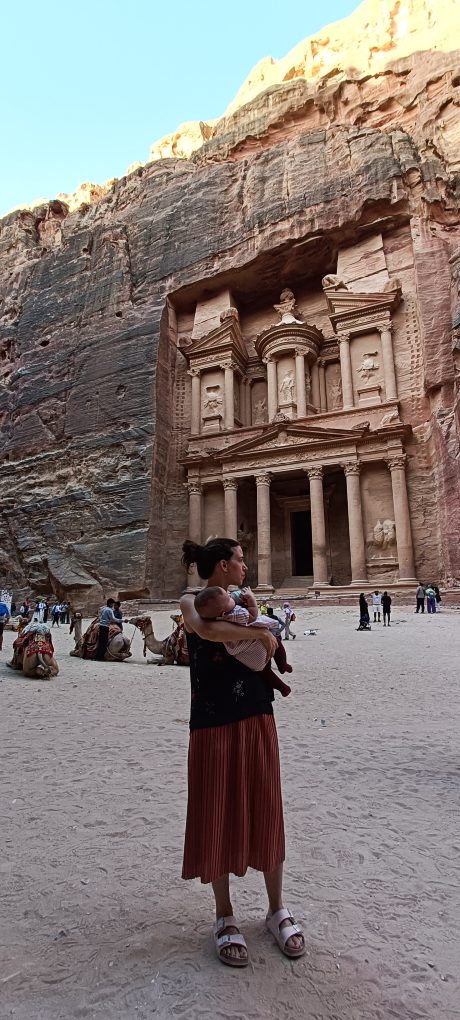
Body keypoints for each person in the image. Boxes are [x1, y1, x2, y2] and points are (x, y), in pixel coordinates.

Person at [180, 537, 305, 968]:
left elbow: (264, 642)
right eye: (239, 559)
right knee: (216, 811)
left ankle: (276, 908)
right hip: (212, 722)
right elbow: (206, 629)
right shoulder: (190, 600)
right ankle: (224, 914)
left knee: (267, 807)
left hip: (256, 714)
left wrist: (261, 629)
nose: (245, 566)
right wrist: (258, 628)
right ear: (220, 565)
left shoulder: (247, 601)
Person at [194, 585, 292, 698]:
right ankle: (282, 665)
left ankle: (282, 687)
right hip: (255, 645)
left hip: (245, 656)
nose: (231, 597)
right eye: (228, 598)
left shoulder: (217, 618)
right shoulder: (235, 614)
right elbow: (253, 615)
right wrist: (251, 599)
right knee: (277, 643)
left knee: (264, 672)